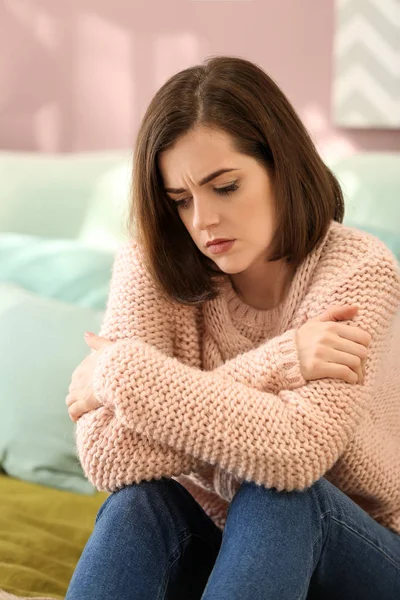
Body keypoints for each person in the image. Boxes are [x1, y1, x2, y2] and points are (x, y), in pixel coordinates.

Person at [65, 55, 400, 599]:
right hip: (226, 552)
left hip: (359, 551)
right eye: (180, 200)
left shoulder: (358, 269)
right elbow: (107, 452)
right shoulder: (151, 268)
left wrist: (123, 375)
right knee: (139, 503)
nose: (202, 221)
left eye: (225, 187)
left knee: (281, 495)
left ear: (281, 167)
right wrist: (282, 360)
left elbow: (298, 451)